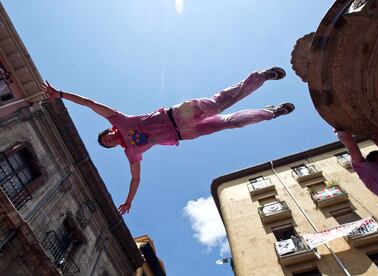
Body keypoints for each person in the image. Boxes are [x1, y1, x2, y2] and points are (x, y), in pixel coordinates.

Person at [42, 68, 295, 215]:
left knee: (221, 103)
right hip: (184, 134)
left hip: (178, 114)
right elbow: (136, 178)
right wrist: (129, 200)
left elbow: (89, 104)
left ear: (109, 130)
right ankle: (272, 112)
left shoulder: (121, 120)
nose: (110, 141)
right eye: (108, 145)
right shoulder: (131, 153)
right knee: (230, 123)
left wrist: (61, 94)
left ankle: (261, 77)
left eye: (106, 138)